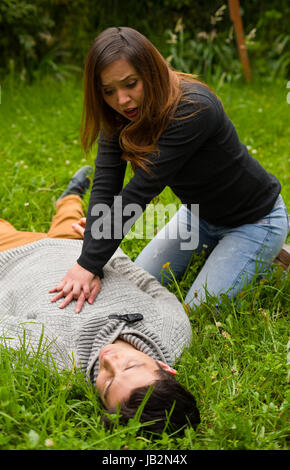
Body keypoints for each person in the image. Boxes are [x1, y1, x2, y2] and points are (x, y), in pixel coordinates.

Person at [50, 26, 289, 313]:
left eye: (130, 84)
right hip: (197, 216)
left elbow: (138, 193)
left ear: (150, 72)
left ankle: (268, 259)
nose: (122, 100)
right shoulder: (117, 115)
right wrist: (93, 264)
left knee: (195, 311)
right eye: (109, 91)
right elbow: (105, 187)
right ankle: (227, 254)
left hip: (254, 220)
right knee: (136, 287)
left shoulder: (193, 109)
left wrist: (87, 263)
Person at [0, 168, 200, 434]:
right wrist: (104, 249)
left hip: (13, 256)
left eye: (107, 385)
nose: (110, 361)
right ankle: (71, 194)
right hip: (80, 247)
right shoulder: (172, 331)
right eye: (130, 365)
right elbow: (152, 287)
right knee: (71, 216)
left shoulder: (60, 360)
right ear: (165, 367)